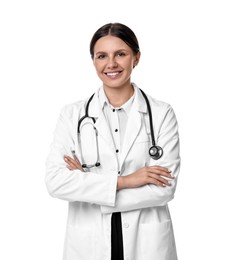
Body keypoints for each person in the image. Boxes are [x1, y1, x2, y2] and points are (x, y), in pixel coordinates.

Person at [45, 22, 181, 260]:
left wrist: (88, 186)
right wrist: (127, 181)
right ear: (93, 61)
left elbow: (164, 189)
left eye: (121, 54)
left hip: (147, 244)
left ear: (136, 58)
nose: (111, 64)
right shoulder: (72, 115)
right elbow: (56, 182)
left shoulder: (161, 114)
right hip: (88, 244)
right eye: (102, 56)